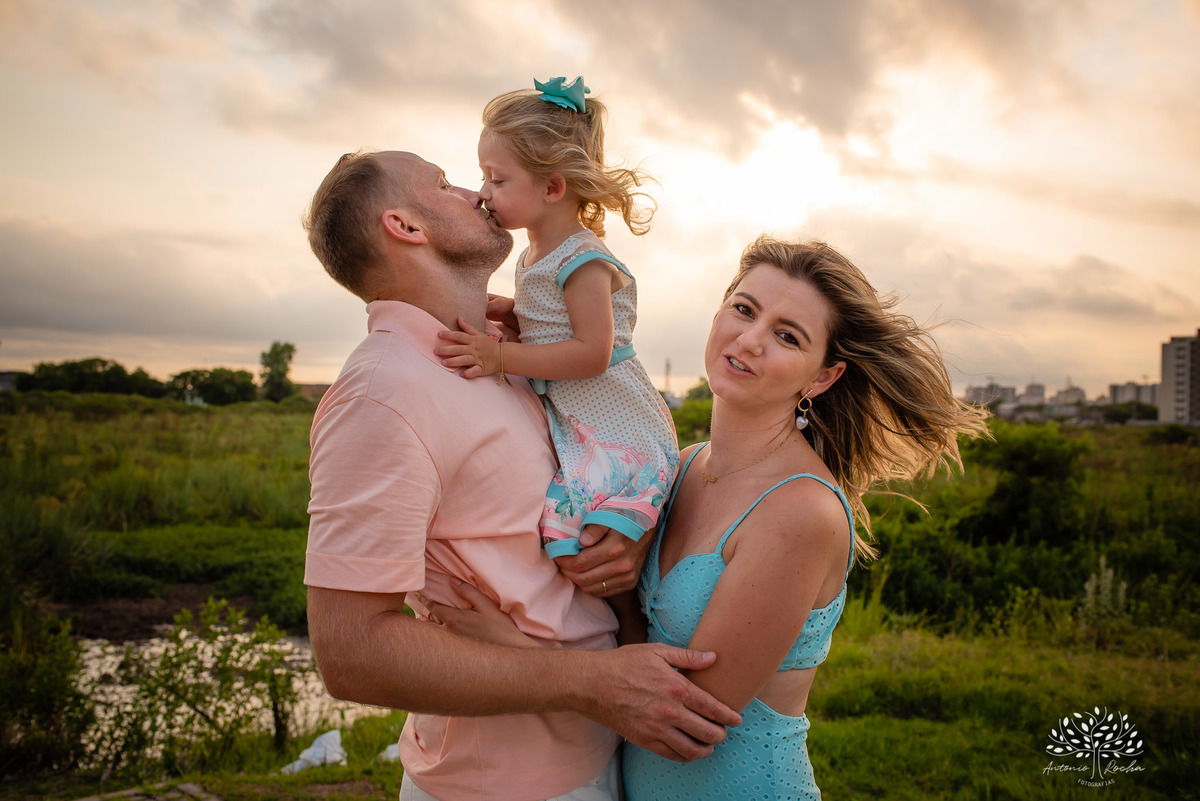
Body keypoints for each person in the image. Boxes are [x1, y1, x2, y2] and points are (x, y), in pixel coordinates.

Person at [428, 236, 989, 800]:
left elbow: (683, 724)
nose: (749, 339)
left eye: (787, 336)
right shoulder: (684, 465)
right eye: (743, 309)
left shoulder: (801, 511)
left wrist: (515, 653)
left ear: (821, 378)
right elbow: (632, 639)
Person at [301, 149, 740, 801]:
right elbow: (351, 654)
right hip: (501, 783)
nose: (477, 192)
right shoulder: (384, 393)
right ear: (406, 226)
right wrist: (593, 682)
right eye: (444, 184)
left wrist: (629, 539)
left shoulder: (511, 358)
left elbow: (597, 474)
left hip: (599, 750)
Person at [434, 76, 679, 561]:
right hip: (582, 424)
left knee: (584, 543)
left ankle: (629, 631)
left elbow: (592, 353)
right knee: (568, 540)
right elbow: (556, 326)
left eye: (497, 179)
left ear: (552, 187)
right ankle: (615, 630)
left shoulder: (582, 260)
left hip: (617, 427)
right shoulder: (535, 254)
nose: (483, 193)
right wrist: (515, 312)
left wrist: (499, 355)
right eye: (484, 177)